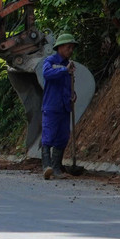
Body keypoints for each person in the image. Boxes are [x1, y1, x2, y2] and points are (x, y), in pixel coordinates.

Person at [40, 33, 78, 180]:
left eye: (72, 48)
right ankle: (46, 166)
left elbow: (68, 85)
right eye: (68, 47)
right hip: (51, 105)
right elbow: (47, 74)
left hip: (64, 106)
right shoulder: (50, 61)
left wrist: (73, 94)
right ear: (60, 47)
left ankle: (56, 168)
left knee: (62, 136)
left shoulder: (69, 64)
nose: (70, 50)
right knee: (49, 135)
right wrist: (64, 70)